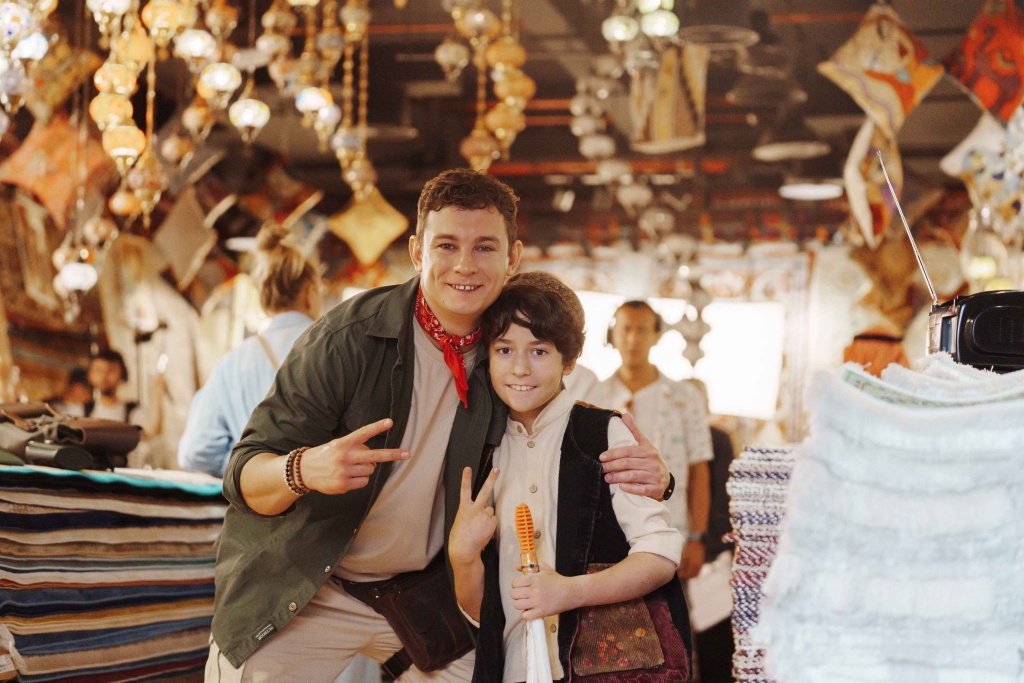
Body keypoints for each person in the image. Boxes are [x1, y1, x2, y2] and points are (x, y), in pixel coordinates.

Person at [205, 169, 672, 682]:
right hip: (309, 587)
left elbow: (562, 436)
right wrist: (303, 469)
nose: (465, 265)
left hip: (426, 599)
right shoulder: (347, 339)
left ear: (512, 258)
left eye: (485, 248)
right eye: (447, 245)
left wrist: (655, 474)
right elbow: (242, 475)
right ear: (417, 252)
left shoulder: (507, 354)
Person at [449, 272, 690, 683]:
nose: (520, 368)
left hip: (604, 668)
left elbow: (660, 555)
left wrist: (569, 591)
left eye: (539, 351)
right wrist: (462, 557)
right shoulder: (482, 451)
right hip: (515, 669)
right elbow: (481, 615)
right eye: (505, 349)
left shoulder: (602, 434)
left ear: (569, 360)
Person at [178, 222, 323, 478]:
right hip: (325, 495)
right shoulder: (337, 349)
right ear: (310, 293)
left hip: (257, 499)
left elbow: (196, 450)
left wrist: (251, 470)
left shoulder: (232, 363)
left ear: (264, 299)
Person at [586, 301, 713, 581]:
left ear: (656, 336)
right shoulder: (593, 397)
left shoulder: (685, 397)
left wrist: (697, 537)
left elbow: (699, 470)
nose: (633, 339)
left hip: (672, 531)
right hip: (607, 537)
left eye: (642, 330)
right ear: (612, 335)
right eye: (626, 329)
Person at [86, 348, 164, 438]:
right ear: (90, 375)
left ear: (122, 373)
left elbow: (152, 430)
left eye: (111, 370)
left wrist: (157, 393)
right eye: (98, 370)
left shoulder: (132, 411)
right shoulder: (82, 411)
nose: (104, 376)